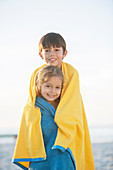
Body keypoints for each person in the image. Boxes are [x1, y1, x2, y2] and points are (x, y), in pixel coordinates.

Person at [13, 32, 95, 170]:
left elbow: (70, 99)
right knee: (43, 148)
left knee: (62, 150)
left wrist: (60, 119)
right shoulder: (36, 73)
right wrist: (34, 113)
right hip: (44, 116)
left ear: (65, 53)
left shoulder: (71, 72)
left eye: (56, 50)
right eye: (47, 50)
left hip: (64, 117)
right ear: (41, 54)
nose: (52, 54)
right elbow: (32, 98)